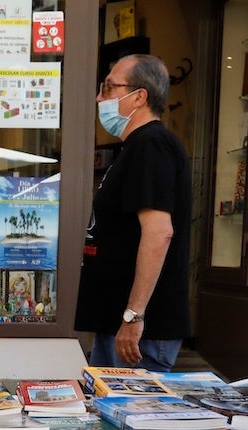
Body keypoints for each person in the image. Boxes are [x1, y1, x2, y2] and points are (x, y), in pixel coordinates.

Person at [75, 53, 191, 372]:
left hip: (139, 333)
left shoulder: (151, 145)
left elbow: (159, 232)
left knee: (132, 417)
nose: (100, 97)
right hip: (118, 324)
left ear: (139, 96)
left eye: (109, 88)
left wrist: (134, 315)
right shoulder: (136, 148)